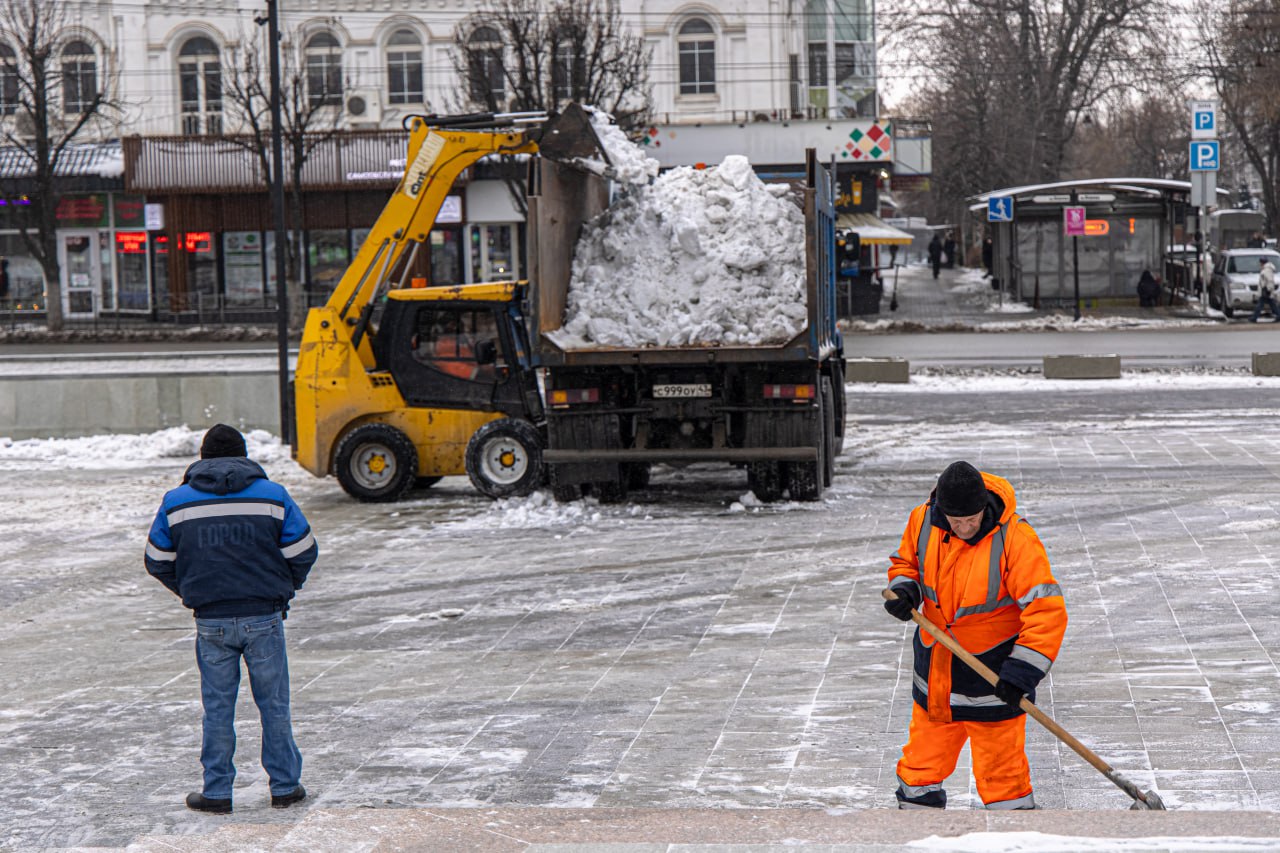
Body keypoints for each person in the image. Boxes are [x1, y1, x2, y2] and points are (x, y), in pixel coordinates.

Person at [145, 424, 318, 815]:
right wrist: (283, 588)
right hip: (264, 617)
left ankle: (218, 792)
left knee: (218, 708)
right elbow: (304, 550)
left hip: (211, 622)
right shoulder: (272, 496)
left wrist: (192, 590)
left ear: (202, 458)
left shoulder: (177, 502)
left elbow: (157, 560)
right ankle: (286, 786)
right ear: (244, 456)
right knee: (274, 704)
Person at [883, 461, 1067, 810]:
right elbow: (905, 562)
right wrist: (905, 590)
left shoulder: (1015, 539)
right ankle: (916, 836)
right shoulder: (922, 520)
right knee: (919, 770)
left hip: (994, 679)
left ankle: (1015, 840)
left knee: (1003, 779)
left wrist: (1022, 674)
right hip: (937, 676)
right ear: (942, 512)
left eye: (973, 519)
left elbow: (1046, 610)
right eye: (957, 522)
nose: (966, 527)